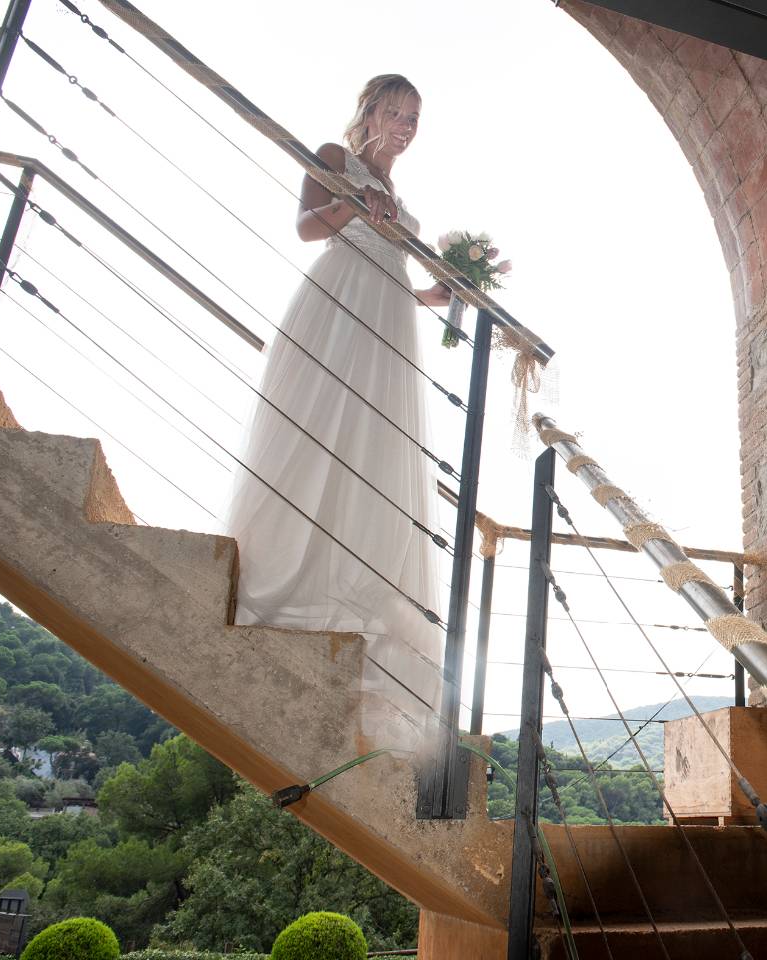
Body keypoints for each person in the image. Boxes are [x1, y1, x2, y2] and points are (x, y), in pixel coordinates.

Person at [224, 75, 451, 751]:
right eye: (394, 111)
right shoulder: (333, 156)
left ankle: (355, 589)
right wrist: (354, 203)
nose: (404, 125)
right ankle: (279, 578)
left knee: (372, 454)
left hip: (387, 327)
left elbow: (391, 274)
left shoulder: (402, 197)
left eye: (414, 117)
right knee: (316, 439)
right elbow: (305, 230)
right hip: (335, 310)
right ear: (369, 111)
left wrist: (435, 294)